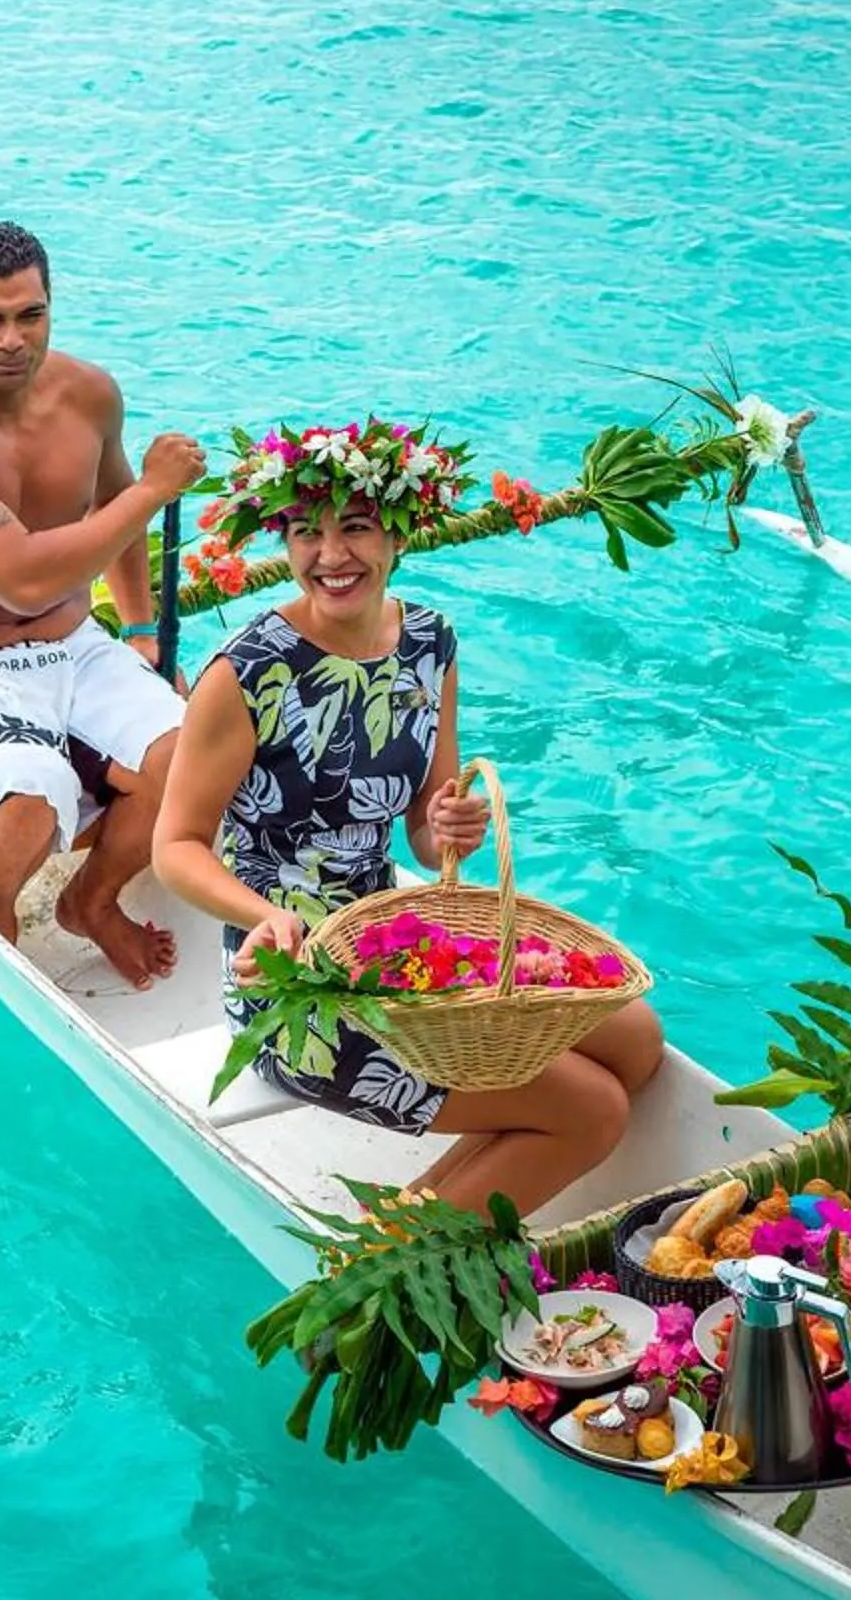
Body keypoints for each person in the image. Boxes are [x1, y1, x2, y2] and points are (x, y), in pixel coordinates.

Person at [155, 420, 664, 1216]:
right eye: (305, 534)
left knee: (636, 1042)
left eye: (355, 528)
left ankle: (413, 1219)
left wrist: (449, 827)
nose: (331, 556)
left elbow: (426, 831)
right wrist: (268, 921)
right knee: (594, 1110)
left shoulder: (428, 640)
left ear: (398, 531)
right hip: (298, 980)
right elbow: (175, 847)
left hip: (401, 935)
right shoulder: (248, 672)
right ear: (282, 542)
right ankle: (375, 1291)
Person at [0, 219, 205, 986]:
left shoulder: (88, 394)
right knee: (23, 801)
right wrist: (158, 489)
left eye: (31, 315)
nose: (11, 339)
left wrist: (144, 632)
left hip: (74, 647)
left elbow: (115, 513)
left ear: (52, 305)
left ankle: (91, 899)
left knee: (195, 757)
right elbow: (19, 576)